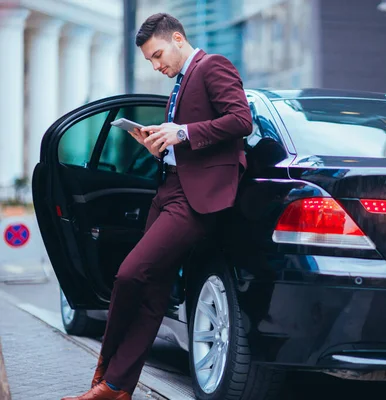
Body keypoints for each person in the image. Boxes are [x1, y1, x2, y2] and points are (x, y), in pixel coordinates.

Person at [62, 12, 252, 400]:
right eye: (149, 59)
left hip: (193, 200)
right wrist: (157, 145)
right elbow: (185, 144)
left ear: (178, 39)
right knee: (151, 294)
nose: (155, 64)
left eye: (158, 54)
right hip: (166, 190)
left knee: (130, 275)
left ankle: (104, 369)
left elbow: (241, 120)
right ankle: (116, 388)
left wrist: (182, 132)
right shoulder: (179, 84)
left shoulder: (213, 66)